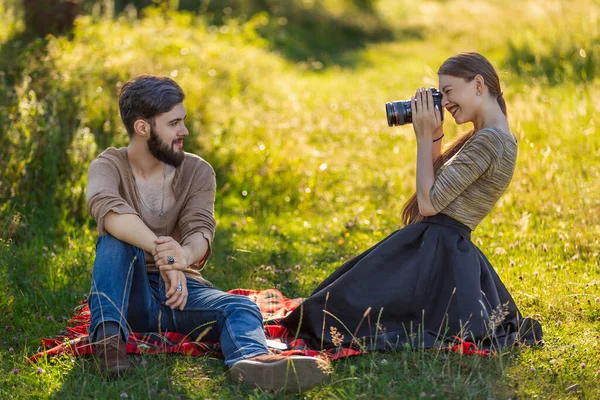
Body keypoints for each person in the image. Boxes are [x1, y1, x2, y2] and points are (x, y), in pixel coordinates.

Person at [281, 52, 543, 352]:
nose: (444, 102)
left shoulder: (490, 141)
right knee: (335, 303)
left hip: (437, 253)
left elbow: (429, 205)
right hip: (439, 247)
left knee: (331, 314)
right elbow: (436, 192)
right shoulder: (491, 137)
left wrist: (422, 138)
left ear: (478, 84)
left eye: (448, 91)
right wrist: (434, 136)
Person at [85, 75, 329, 392]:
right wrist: (167, 257)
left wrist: (182, 256)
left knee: (242, 306)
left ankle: (254, 363)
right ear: (143, 128)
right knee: (114, 242)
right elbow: (111, 213)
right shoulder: (108, 165)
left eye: (183, 121)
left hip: (181, 293)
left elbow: (200, 230)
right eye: (173, 123)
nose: (184, 131)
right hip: (126, 292)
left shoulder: (198, 171)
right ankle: (108, 345)